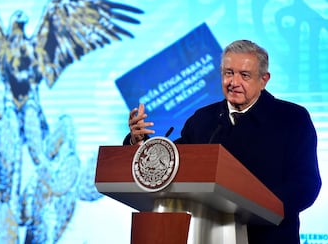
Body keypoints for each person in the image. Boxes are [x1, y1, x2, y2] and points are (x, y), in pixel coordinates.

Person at [124, 39, 322, 243]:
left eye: (244, 75)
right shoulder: (203, 119)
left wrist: (258, 207)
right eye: (228, 73)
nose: (234, 82)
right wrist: (138, 143)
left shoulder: (291, 118)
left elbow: (306, 184)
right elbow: (173, 164)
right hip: (207, 234)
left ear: (264, 80)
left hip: (267, 236)